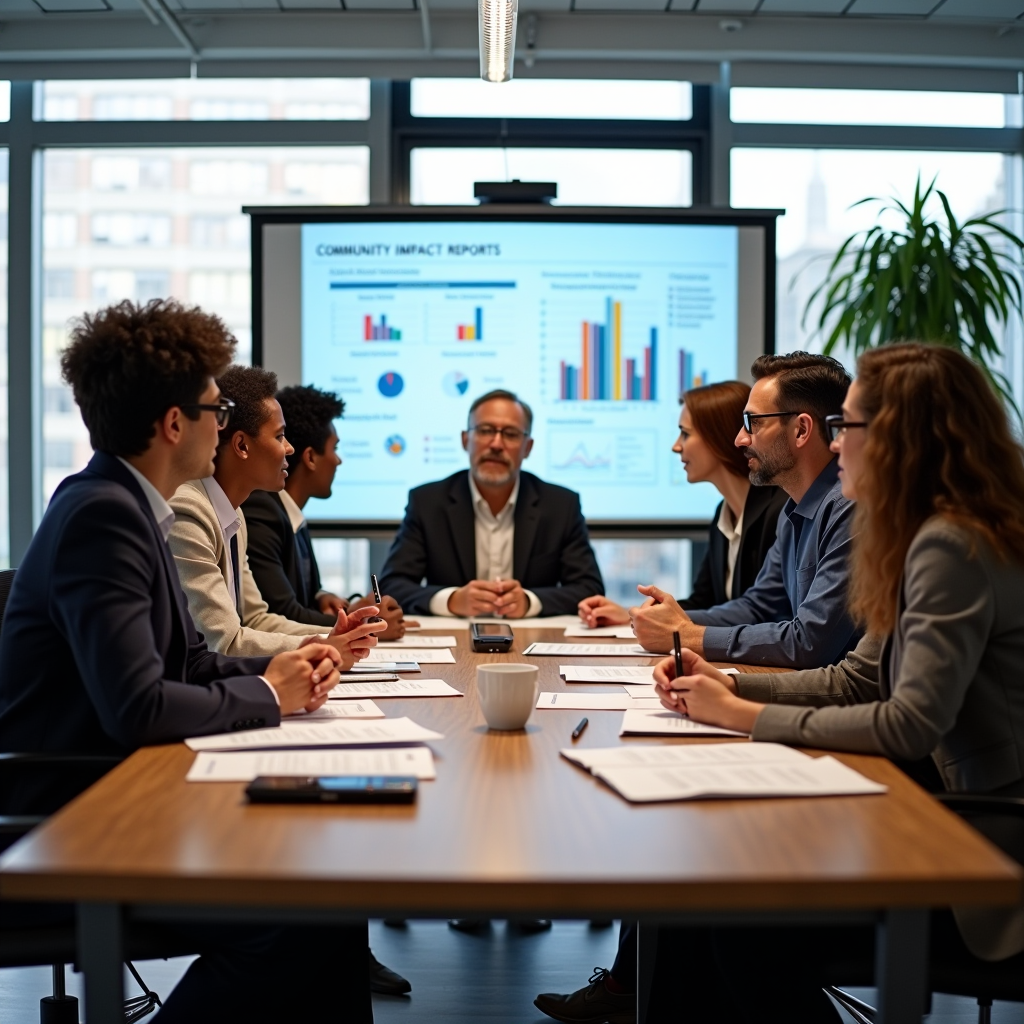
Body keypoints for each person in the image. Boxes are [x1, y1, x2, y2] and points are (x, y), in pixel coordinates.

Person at [0, 299, 373, 1023]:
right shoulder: (103, 517)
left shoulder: (134, 505)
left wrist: (277, 679)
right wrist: (271, 697)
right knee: (301, 919)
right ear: (175, 424)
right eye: (215, 407)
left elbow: (191, 662)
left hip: (125, 790)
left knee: (334, 895)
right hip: (75, 818)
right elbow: (138, 705)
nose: (223, 421)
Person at [643, 343, 1024, 1022]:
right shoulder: (922, 534)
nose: (835, 441)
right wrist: (726, 684)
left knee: (730, 918)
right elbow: (857, 679)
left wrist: (741, 715)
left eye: (846, 425)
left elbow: (909, 723)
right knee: (697, 885)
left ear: (900, 438)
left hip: (983, 846)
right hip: (939, 812)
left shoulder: (950, 545)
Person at [629, 352, 859, 670]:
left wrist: (688, 636)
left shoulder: (849, 510)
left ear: (801, 430)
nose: (740, 439)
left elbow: (809, 643)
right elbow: (757, 607)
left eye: (754, 423)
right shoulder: (792, 510)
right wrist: (666, 619)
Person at [167, 366, 382, 659]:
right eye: (280, 436)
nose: (290, 448)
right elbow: (223, 643)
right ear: (242, 445)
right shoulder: (188, 512)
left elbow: (255, 620)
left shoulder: (234, 516)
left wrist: (332, 637)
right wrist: (324, 648)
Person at [578, 381, 787, 627]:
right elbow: (704, 601)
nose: (676, 446)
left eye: (685, 433)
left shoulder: (780, 511)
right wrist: (631, 613)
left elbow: (761, 614)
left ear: (718, 437)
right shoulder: (725, 512)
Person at [379, 389, 605, 618]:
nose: (496, 444)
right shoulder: (428, 502)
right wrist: (451, 600)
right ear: (465, 440)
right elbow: (391, 586)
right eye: (485, 431)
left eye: (510, 433)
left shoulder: (560, 505)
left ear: (527, 447)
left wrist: (529, 601)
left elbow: (589, 589)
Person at [242, 383, 414, 641]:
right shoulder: (262, 510)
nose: (338, 460)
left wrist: (322, 597)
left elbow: (300, 595)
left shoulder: (290, 512)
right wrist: (363, 623)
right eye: (334, 449)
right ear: (311, 458)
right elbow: (282, 612)